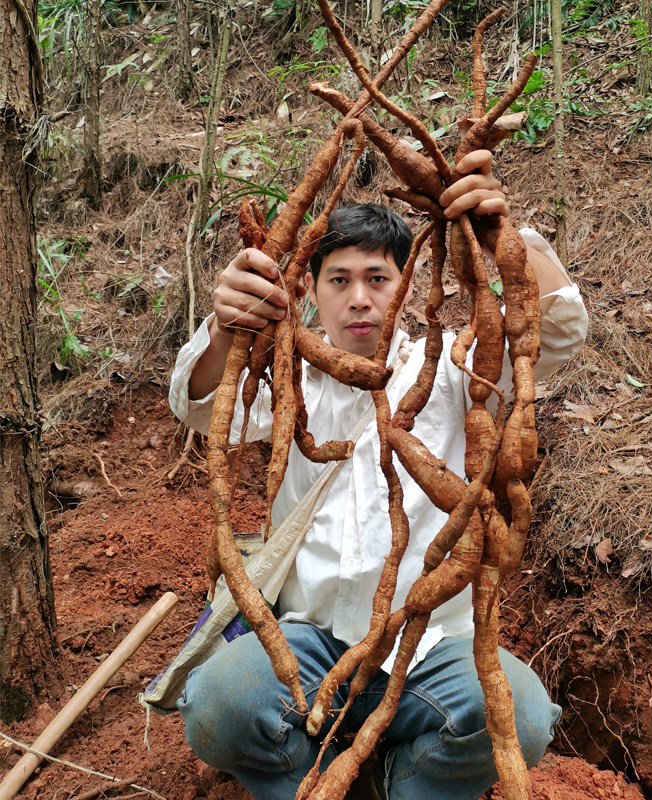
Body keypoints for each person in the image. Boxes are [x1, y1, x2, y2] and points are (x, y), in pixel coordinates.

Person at [169, 150, 589, 800]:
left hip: (433, 648)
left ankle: (404, 783)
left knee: (523, 718)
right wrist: (227, 324)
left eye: (377, 278)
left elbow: (559, 329)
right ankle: (310, 783)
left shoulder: (455, 370)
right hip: (305, 642)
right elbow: (196, 405)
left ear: (410, 282)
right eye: (338, 279)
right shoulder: (283, 376)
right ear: (306, 288)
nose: (359, 298)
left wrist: (504, 232)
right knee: (217, 706)